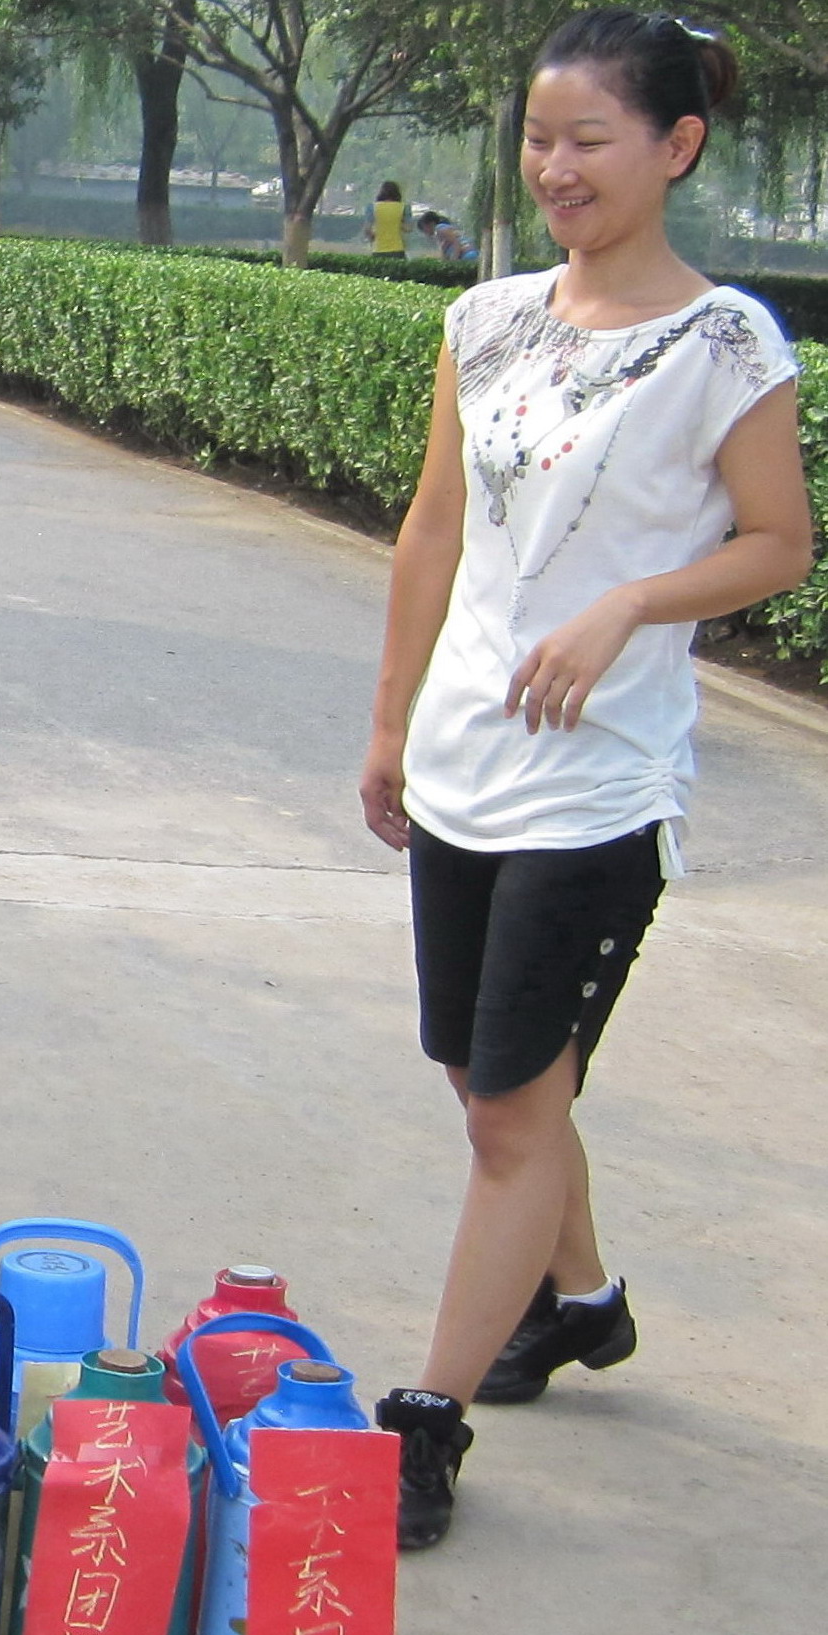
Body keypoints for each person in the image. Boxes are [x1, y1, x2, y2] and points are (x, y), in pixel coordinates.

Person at [358, 8, 811, 1551]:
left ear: (675, 146)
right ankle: (580, 1296)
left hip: (598, 785)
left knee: (504, 1110)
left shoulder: (726, 342)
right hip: (459, 762)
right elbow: (431, 531)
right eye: (536, 138)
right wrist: (387, 724)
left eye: (587, 141)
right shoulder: (484, 319)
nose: (552, 167)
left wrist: (627, 604)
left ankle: (426, 1418)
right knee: (491, 1078)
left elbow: (777, 541)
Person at [373, 181, 409, 256]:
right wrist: (398, 224)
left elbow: (367, 230)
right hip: (398, 249)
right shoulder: (404, 207)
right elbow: (408, 228)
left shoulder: (373, 207)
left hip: (378, 249)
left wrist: (373, 236)